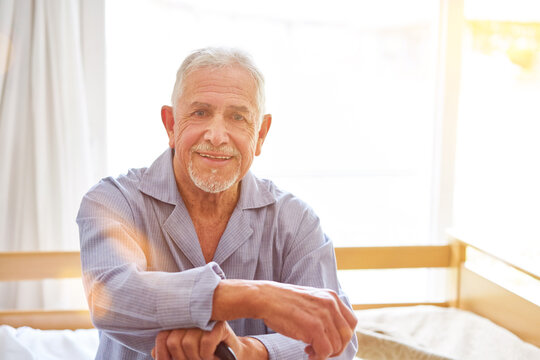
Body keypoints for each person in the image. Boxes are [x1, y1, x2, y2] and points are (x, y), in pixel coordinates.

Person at [77, 47, 358, 360]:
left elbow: (340, 343)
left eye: (238, 117)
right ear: (170, 124)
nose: (216, 135)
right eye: (200, 113)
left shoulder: (296, 221)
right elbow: (112, 298)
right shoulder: (113, 201)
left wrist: (248, 351)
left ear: (261, 133)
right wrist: (257, 298)